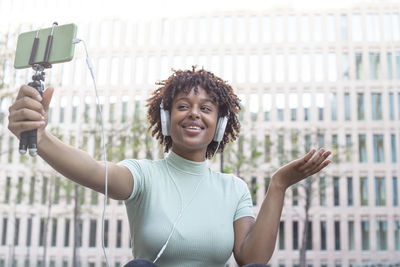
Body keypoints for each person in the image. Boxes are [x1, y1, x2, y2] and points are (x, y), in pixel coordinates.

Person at [8, 67, 331, 267]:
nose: (194, 114)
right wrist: (41, 137)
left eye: (206, 108)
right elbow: (93, 170)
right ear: (165, 119)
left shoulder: (233, 189)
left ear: (218, 125)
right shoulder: (144, 175)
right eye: (182, 106)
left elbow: (252, 259)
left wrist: (278, 185)